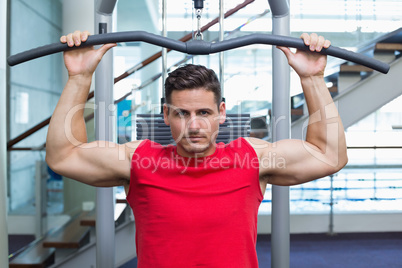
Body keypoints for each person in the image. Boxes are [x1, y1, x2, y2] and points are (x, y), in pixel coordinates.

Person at [46, 30, 348, 267]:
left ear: (221, 112)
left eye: (203, 113)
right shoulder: (139, 160)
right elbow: (64, 156)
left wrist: (312, 78)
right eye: (181, 113)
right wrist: (80, 77)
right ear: (165, 115)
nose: (193, 126)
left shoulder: (251, 158)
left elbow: (329, 155)